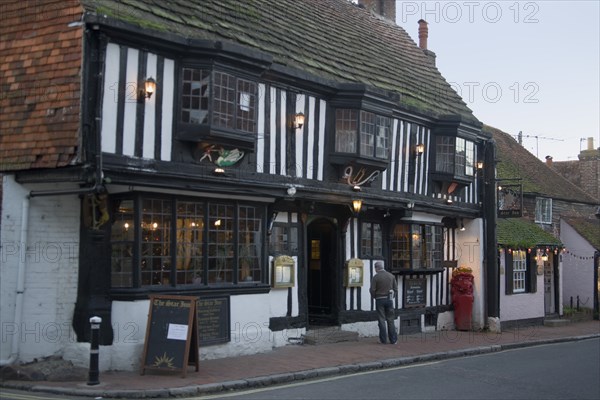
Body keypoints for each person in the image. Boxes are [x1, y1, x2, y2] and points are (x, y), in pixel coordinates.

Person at [369, 261, 398, 344]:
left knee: (381, 320)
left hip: (379, 299)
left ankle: (383, 340)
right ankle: (393, 340)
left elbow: (372, 290)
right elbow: (395, 289)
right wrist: (392, 297)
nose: (375, 270)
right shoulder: (391, 276)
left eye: (375, 268)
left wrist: (375, 296)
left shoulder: (376, 277)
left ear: (377, 268)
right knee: (390, 320)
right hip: (389, 299)